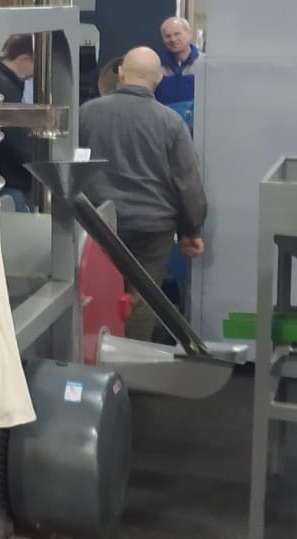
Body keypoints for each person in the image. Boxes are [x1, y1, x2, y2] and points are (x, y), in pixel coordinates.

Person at [78, 46, 208, 341]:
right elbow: (187, 182)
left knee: (97, 293)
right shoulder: (171, 122)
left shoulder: (87, 113)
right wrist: (191, 230)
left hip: (100, 224)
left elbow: (71, 165)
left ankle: (95, 356)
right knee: (142, 298)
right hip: (152, 227)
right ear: (158, 78)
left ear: (121, 73)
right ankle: (130, 361)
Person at [0, 34, 36, 209]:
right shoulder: (4, 87)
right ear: (24, 59)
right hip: (12, 180)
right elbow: (16, 138)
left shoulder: (0, 81)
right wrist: (37, 166)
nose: (34, 74)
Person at [156, 16, 201, 109]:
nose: (173, 39)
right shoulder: (156, 65)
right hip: (164, 117)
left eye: (177, 34)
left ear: (189, 34)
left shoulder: (204, 64)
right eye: (167, 36)